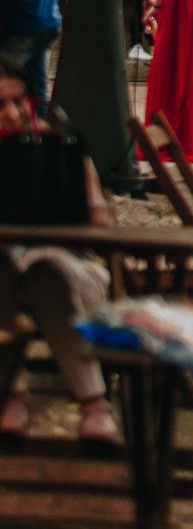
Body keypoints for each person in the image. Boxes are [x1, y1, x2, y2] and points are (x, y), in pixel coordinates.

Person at [0, 53, 121, 451]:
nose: (14, 113)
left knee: (45, 269)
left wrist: (87, 204)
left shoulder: (57, 149)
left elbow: (102, 228)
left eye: (18, 101)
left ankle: (89, 405)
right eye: (0, 105)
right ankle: (22, 397)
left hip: (73, 267)